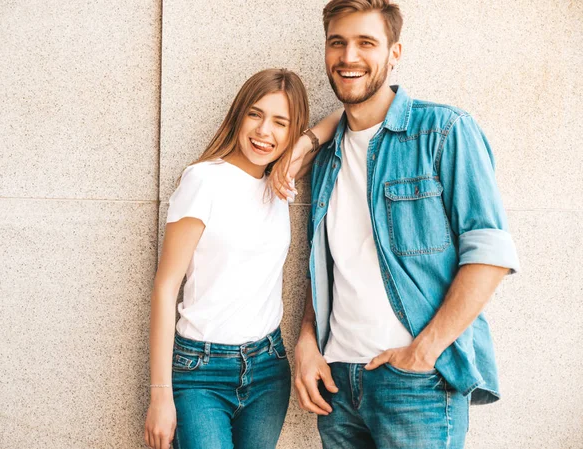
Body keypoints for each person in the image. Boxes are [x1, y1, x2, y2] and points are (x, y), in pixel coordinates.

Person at [271, 1, 520, 448]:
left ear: (394, 53)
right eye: (338, 43)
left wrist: (423, 353)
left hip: (417, 384)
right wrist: (307, 342)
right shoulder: (327, 157)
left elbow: (489, 255)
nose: (349, 57)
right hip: (337, 385)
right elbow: (324, 263)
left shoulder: (444, 131)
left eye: (366, 43)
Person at [143, 68, 340, 449]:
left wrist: (299, 148)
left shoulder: (280, 182)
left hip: (268, 368)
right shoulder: (203, 180)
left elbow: (340, 118)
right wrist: (160, 395)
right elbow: (166, 288)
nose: (265, 131)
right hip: (201, 371)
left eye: (280, 122)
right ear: (238, 115)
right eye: (255, 114)